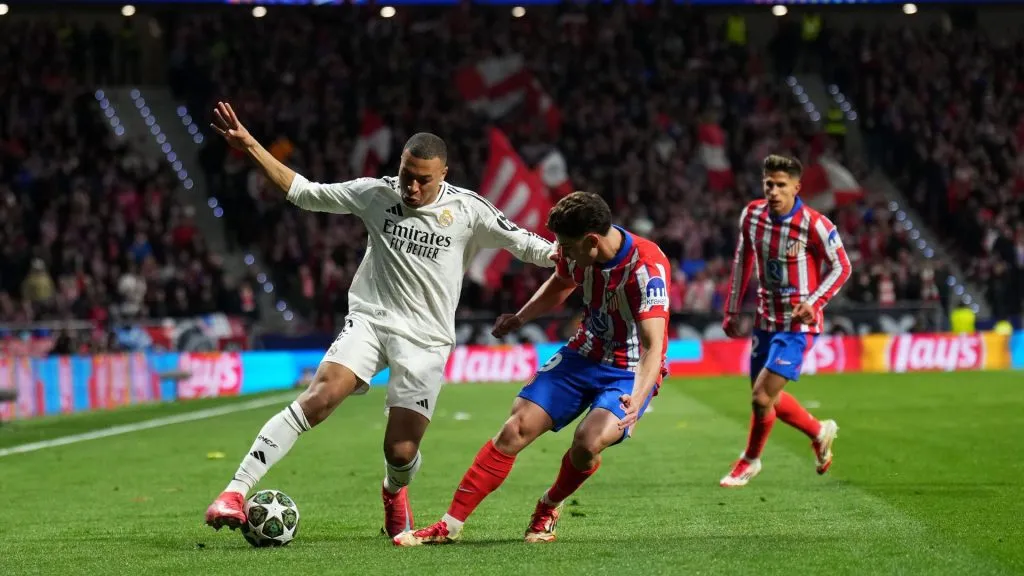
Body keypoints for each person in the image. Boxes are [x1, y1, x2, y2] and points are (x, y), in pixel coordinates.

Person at [203, 102, 557, 537]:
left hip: (425, 342)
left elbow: (525, 243)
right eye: (407, 174)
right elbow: (304, 192)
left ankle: (394, 490)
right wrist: (249, 144)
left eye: (423, 180)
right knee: (320, 396)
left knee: (401, 450)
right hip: (371, 321)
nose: (411, 187)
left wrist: (567, 255)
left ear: (443, 174)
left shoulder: (468, 211)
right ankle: (235, 491)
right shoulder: (376, 193)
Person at [392, 191, 670, 546]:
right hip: (582, 354)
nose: (561, 253)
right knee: (515, 429)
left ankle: (549, 505)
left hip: (629, 370)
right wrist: (522, 317)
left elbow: (652, 345)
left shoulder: (646, 268)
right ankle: (450, 525)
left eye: (567, 247)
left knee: (588, 443)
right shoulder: (577, 252)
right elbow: (562, 282)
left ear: (591, 241)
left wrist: (639, 395)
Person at [719, 154, 852, 487]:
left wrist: (814, 301)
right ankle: (819, 431)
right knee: (767, 399)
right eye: (769, 184)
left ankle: (749, 461)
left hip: (798, 324)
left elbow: (842, 266)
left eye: (781, 185)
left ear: (796, 187)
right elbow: (742, 260)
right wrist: (733, 308)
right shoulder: (752, 215)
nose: (774, 191)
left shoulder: (816, 224)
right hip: (765, 319)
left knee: (762, 397)